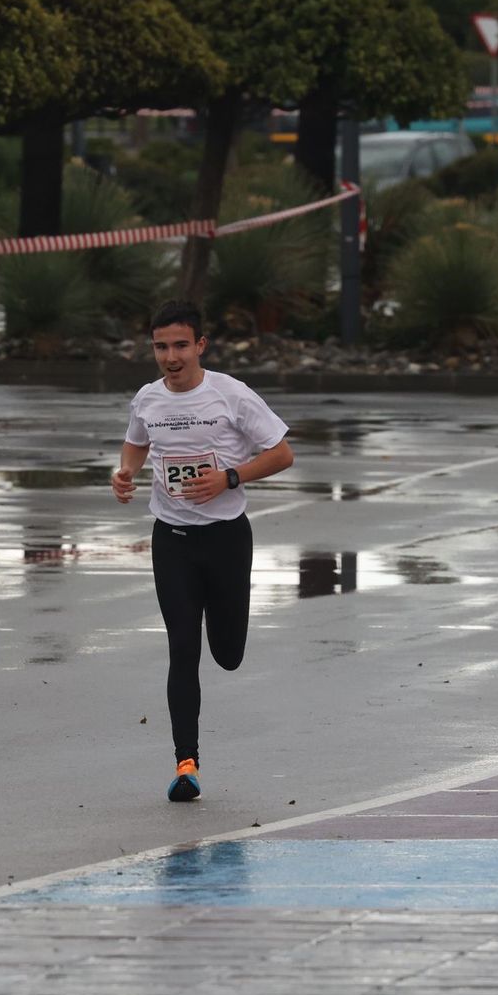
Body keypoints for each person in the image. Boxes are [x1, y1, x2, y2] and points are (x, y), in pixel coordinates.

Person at [111, 300, 294, 802]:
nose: (171, 357)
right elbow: (136, 443)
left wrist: (229, 477)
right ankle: (185, 764)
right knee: (182, 648)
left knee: (227, 654)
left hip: (226, 540)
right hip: (171, 540)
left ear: (200, 346)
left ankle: (226, 626)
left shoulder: (231, 395)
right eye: (161, 347)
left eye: (180, 346)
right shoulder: (147, 399)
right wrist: (125, 472)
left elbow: (282, 453)